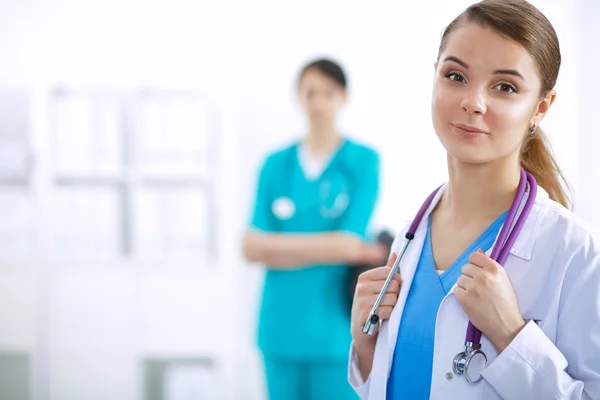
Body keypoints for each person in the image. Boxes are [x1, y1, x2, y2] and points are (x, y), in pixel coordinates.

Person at [348, 1, 600, 399]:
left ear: (541, 107)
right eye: (456, 75)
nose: (474, 102)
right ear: (434, 77)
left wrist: (511, 334)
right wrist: (365, 345)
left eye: (505, 87)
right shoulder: (408, 240)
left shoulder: (577, 254)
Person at [243, 58, 388, 400]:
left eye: (328, 92)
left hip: (334, 330)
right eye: (310, 92)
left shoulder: (362, 161)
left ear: (343, 97)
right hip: (280, 328)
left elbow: (350, 242)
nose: (319, 102)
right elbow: (250, 247)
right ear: (298, 97)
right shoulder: (275, 164)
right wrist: (338, 247)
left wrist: (274, 248)